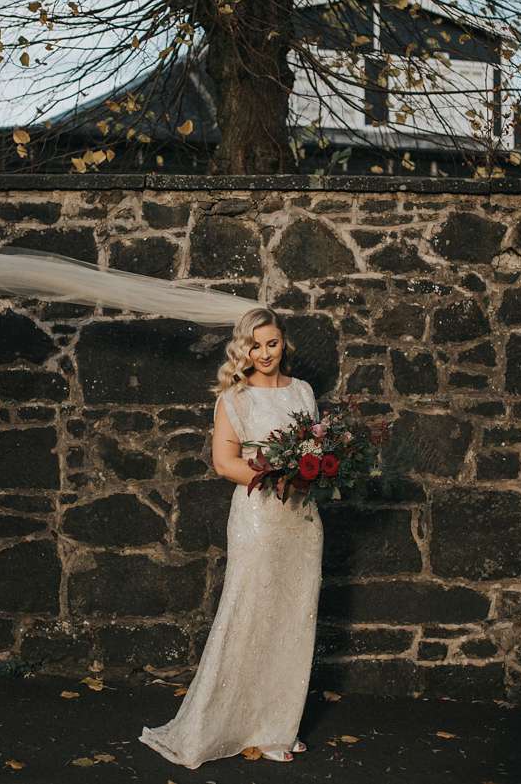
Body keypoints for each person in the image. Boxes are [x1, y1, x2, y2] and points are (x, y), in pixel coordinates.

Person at [140, 307, 323, 768]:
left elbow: (316, 449)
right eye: (255, 345)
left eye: (273, 343)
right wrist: (277, 476)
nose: (264, 353)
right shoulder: (234, 398)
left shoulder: (303, 392)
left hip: (302, 521)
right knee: (251, 612)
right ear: (243, 349)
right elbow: (224, 464)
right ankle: (231, 725)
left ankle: (280, 726)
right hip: (259, 516)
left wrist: (312, 470)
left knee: (294, 617)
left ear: (285, 344)